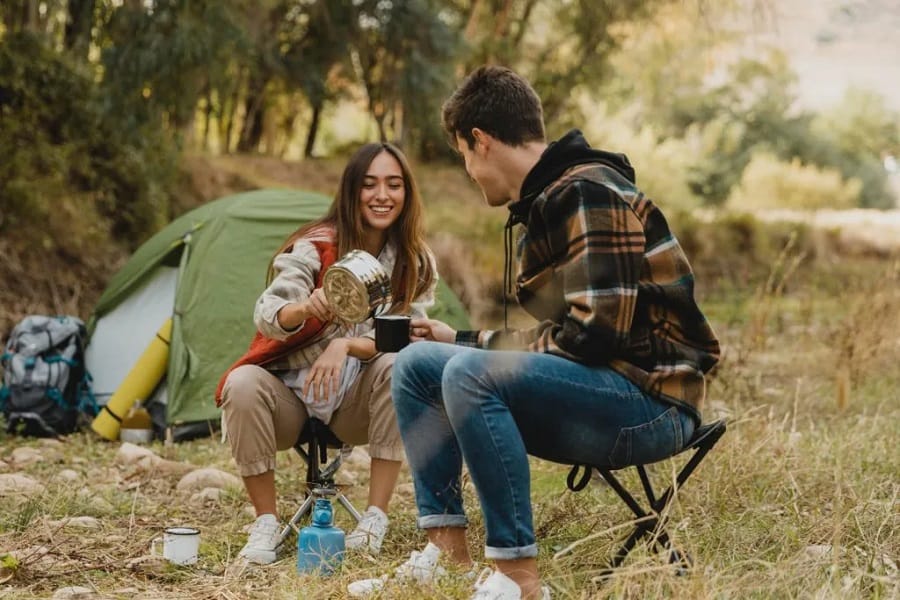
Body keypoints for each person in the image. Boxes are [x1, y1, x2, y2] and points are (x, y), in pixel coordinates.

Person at [354, 66, 721, 599]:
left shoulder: (587, 193)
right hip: (605, 388)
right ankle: (447, 552)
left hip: (652, 406)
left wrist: (471, 352)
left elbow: (595, 338)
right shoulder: (552, 198)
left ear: (480, 142)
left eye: (462, 155)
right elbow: (572, 338)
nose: (468, 171)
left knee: (469, 374)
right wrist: (455, 339)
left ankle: (519, 581)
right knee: (415, 363)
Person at [216, 142, 438, 564]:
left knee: (400, 363)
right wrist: (304, 307)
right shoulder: (314, 246)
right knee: (241, 383)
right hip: (292, 399)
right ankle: (265, 524)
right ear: (352, 191)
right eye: (369, 184)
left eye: (394, 185)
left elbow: (409, 335)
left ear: (407, 194)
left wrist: (347, 344)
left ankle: (374, 519)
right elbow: (267, 312)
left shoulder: (414, 261)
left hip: (357, 403)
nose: (382, 195)